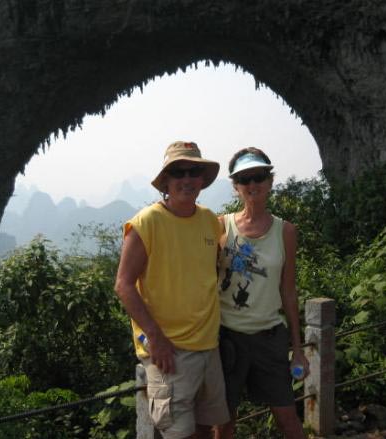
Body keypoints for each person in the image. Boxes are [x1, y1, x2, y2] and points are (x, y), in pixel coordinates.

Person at [115, 141, 230, 439]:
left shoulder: (209, 220)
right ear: (165, 180)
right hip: (170, 352)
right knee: (179, 433)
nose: (187, 178)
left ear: (202, 179)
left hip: (208, 346)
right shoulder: (146, 222)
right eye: (178, 172)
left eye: (194, 171)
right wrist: (155, 338)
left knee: (206, 428)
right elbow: (124, 285)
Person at [215, 147, 308, 439]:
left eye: (258, 176)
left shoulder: (285, 231)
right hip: (226, 338)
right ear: (236, 186)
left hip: (269, 337)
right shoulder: (221, 226)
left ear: (269, 181)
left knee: (287, 419)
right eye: (244, 179)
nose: (252, 185)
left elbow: (288, 291)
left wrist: (298, 349)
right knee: (224, 423)